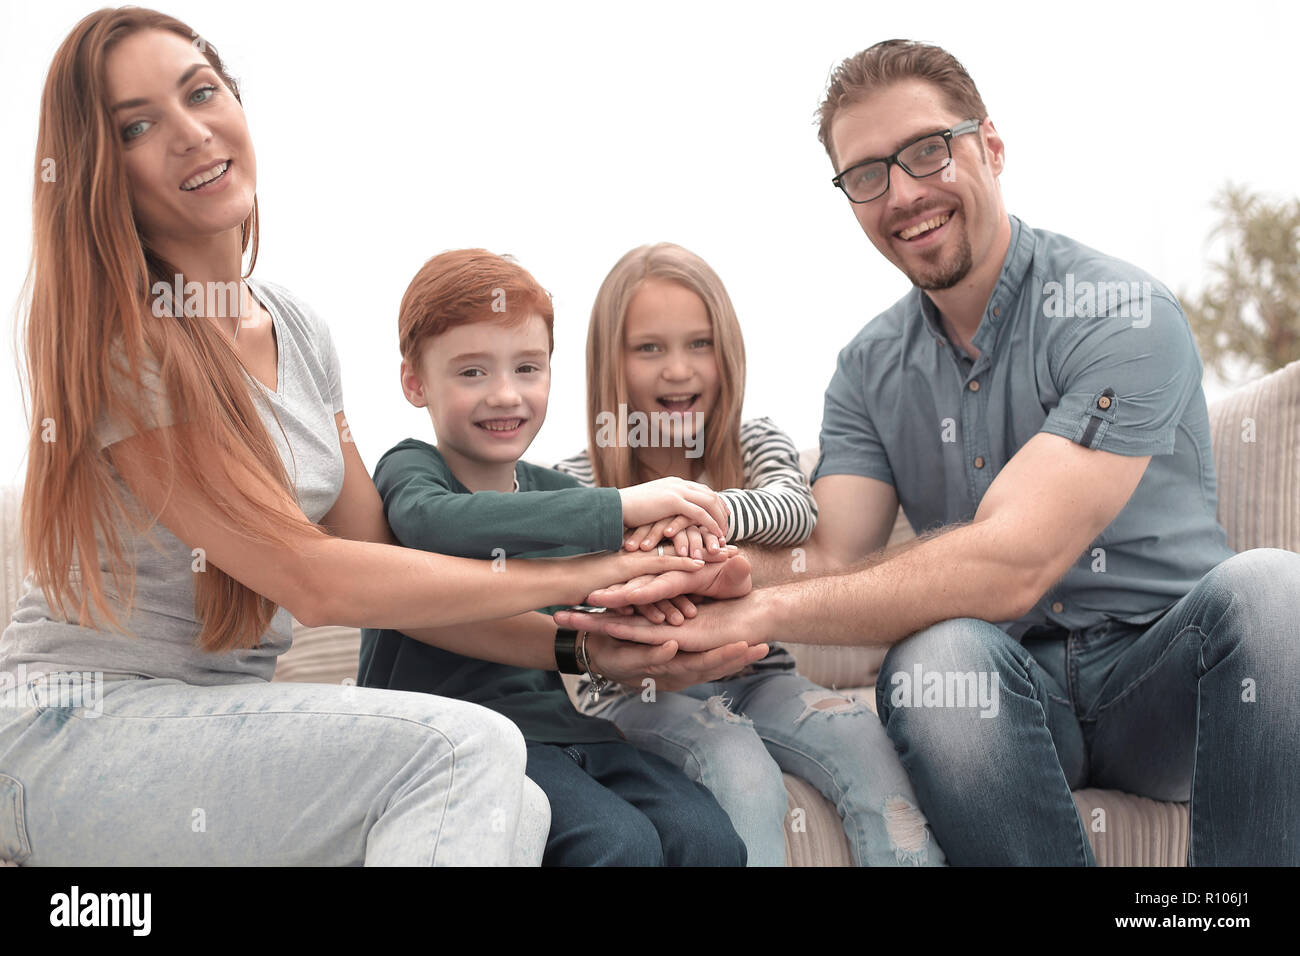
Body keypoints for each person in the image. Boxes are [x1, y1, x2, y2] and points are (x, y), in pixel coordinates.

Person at [557, 39, 1300, 866]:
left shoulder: (1118, 312)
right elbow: (829, 551)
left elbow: (1016, 561)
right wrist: (697, 566)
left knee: (1274, 588)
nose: (904, 193)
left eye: (926, 151)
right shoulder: (869, 368)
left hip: (1166, 689)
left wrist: (756, 609)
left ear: (991, 147)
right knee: (939, 658)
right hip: (1008, 703)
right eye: (867, 175)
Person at [0, 8, 708, 867]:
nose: (190, 133)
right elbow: (315, 579)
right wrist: (603, 562)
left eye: (202, 92)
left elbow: (388, 568)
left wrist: (590, 643)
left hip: (222, 720)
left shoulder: (295, 329)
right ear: (98, 172)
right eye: (139, 126)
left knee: (513, 798)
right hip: (80, 731)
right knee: (465, 751)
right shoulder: (124, 342)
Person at [356, 248, 756, 866]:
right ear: (414, 382)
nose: (505, 395)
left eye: (527, 367)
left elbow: (619, 581)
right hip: (462, 746)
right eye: (471, 372)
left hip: (571, 730)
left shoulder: (558, 494)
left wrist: (692, 564)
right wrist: (619, 506)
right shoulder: (411, 472)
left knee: (706, 838)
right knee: (616, 844)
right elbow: (438, 525)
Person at [553, 242, 945, 866]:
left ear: (726, 352)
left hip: (764, 677)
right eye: (649, 348)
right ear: (610, 362)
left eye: (699, 344)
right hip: (640, 693)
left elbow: (797, 510)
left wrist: (701, 513)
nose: (678, 369)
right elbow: (574, 599)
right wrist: (648, 528)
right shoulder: (573, 483)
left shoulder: (756, 441)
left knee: (863, 738)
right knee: (736, 764)